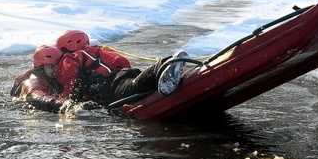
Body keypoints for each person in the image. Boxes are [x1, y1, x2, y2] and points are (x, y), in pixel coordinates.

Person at [12, 31, 188, 113]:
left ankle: (160, 67)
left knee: (130, 88)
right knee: (132, 82)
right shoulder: (95, 52)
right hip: (122, 74)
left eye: (54, 65)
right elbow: (123, 63)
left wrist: (70, 103)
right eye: (48, 66)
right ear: (39, 67)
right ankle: (163, 67)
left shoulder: (69, 60)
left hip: (108, 83)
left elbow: (71, 82)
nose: (53, 70)